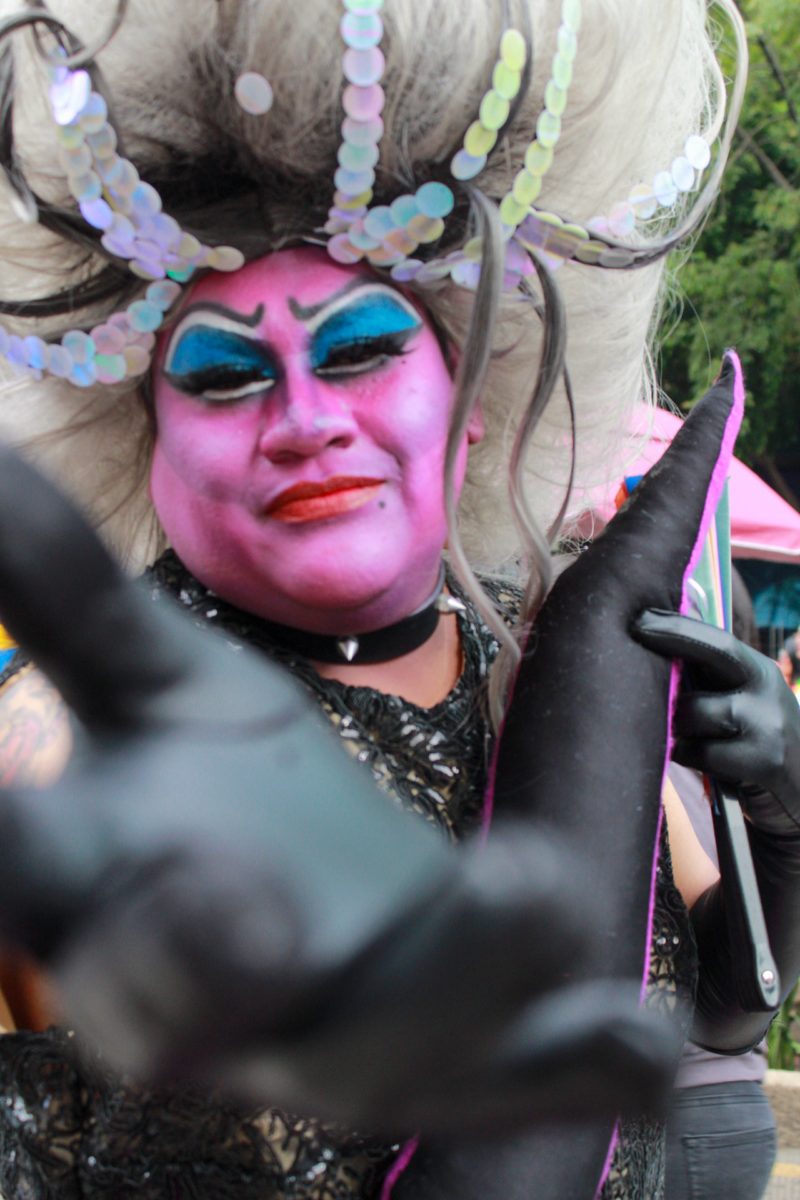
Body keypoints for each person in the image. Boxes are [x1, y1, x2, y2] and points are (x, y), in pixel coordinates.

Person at [1, 2, 800, 1199]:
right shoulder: (61, 748)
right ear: (148, 446)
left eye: (360, 351)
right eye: (225, 375)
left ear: (468, 408)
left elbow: (721, 1019)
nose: (308, 421)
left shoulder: (542, 679)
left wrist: (779, 816)